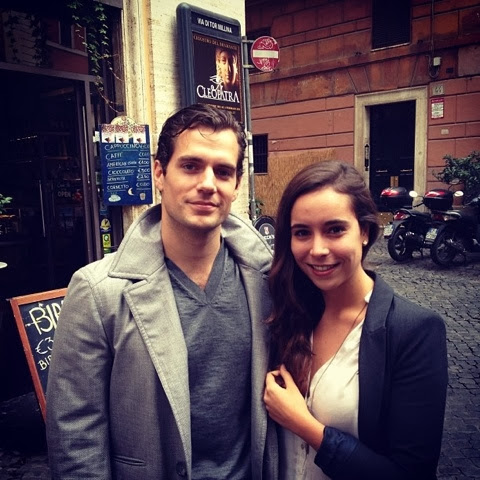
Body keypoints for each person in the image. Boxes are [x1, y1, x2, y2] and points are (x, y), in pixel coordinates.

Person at [46, 104, 278, 479]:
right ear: (159, 173)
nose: (208, 183)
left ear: (236, 185)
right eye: (191, 166)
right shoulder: (97, 292)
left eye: (222, 171)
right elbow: (76, 435)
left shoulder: (269, 279)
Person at [263, 161, 448, 479]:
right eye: (302, 233)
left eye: (334, 229)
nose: (317, 249)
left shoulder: (413, 331)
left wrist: (305, 425)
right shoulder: (288, 313)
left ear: (364, 231)